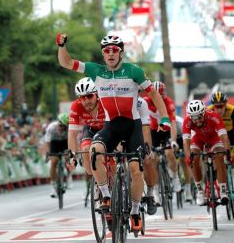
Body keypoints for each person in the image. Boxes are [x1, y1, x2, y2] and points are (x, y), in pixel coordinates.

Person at [56, 33, 171, 232]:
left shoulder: (133, 71)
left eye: (114, 50)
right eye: (106, 50)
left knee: (136, 170)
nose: (110, 53)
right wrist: (61, 46)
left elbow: (152, 93)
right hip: (111, 126)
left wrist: (165, 118)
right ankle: (106, 195)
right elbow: (67, 63)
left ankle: (135, 211)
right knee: (94, 151)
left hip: (132, 126)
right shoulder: (95, 70)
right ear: (103, 54)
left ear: (121, 53)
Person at [183, 100, 231, 206]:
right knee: (193, 159)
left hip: (214, 137)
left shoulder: (214, 116)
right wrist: (188, 156)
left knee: (219, 155)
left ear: (204, 113)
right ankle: (200, 191)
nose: (197, 121)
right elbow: (186, 141)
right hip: (199, 138)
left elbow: (224, 136)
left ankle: (223, 190)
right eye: (194, 118)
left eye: (200, 117)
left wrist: (227, 152)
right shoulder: (187, 121)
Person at [208, 91, 234, 206]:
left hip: (230, 136)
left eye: (221, 106)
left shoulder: (232, 110)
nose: (219, 109)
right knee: (215, 160)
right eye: (216, 107)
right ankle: (216, 185)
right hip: (216, 137)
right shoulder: (208, 111)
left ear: (226, 104)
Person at [144, 81, 181, 192]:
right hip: (153, 131)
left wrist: (173, 141)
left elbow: (173, 123)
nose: (158, 99)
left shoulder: (168, 102)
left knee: (169, 153)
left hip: (166, 131)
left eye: (161, 96)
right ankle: (155, 188)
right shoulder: (146, 102)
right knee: (153, 158)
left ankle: (175, 177)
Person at [67, 77, 106, 176]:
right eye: (83, 97)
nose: (87, 100)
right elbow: (72, 134)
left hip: (107, 128)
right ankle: (96, 180)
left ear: (97, 94)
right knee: (85, 150)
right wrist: (72, 157)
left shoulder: (105, 101)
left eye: (89, 96)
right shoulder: (76, 106)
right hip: (90, 129)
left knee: (114, 158)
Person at [44, 112, 69, 198]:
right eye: (61, 125)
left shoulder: (69, 129)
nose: (62, 128)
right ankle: (53, 186)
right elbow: (47, 142)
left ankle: (67, 177)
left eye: (64, 127)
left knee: (67, 157)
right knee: (54, 161)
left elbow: (72, 141)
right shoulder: (51, 127)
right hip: (54, 143)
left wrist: (71, 153)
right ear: (58, 123)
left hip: (65, 142)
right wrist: (48, 153)